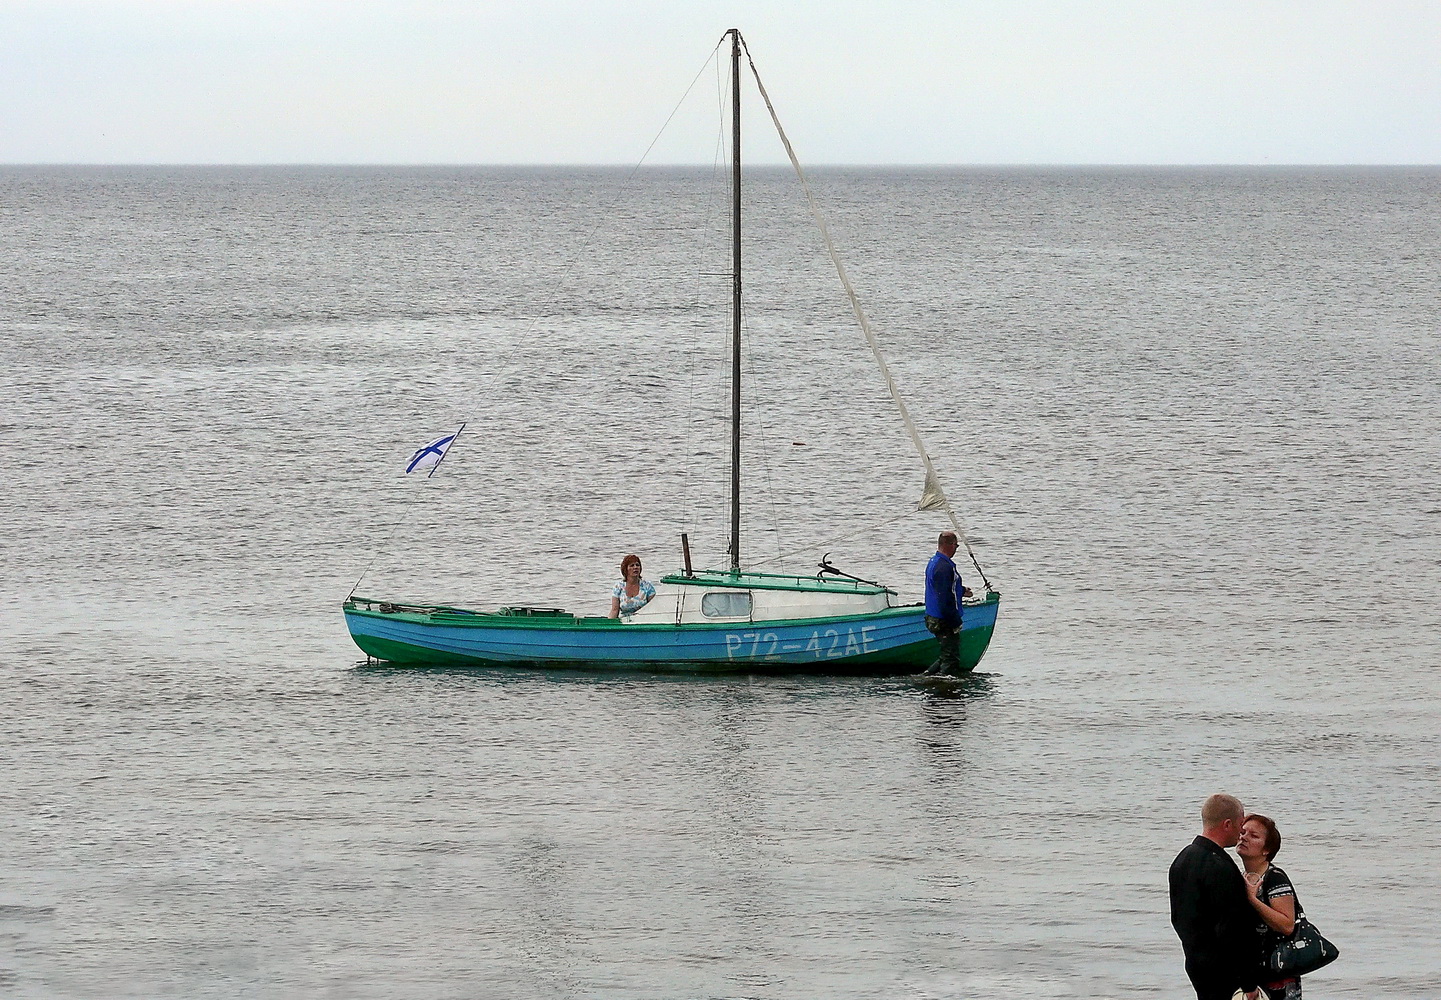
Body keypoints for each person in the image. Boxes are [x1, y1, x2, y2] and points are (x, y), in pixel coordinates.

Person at [1169, 794, 1261, 1000]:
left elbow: (1178, 918)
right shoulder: (1220, 867)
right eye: (1240, 824)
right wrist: (1248, 983)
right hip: (1224, 974)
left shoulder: (1182, 859)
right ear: (1227, 824)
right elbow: (1232, 930)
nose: (1241, 832)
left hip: (1196, 965)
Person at [1238, 814, 1303, 1000]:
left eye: (1254, 836)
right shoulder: (1243, 875)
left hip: (1279, 970)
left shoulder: (1274, 878)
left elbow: (1287, 924)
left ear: (1267, 849)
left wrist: (1253, 901)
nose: (1244, 837)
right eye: (1242, 832)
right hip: (1254, 971)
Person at [923, 530, 971, 674]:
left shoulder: (934, 562)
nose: (956, 549)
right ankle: (945, 688)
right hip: (943, 620)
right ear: (949, 545)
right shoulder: (943, 567)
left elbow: (943, 588)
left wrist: (961, 591)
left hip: (934, 616)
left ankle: (926, 677)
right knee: (951, 658)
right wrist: (955, 622)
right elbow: (944, 598)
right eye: (956, 546)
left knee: (946, 654)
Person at [609, 553, 655, 618]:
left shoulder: (647, 586)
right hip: (624, 623)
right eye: (632, 565)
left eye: (637, 565)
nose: (635, 567)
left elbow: (654, 608)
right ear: (625, 569)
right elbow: (614, 610)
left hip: (644, 621)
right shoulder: (618, 587)